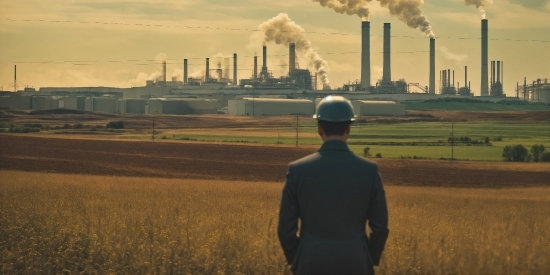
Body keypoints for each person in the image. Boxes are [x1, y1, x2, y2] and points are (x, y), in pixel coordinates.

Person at [277, 95, 389, 275]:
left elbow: (285, 230)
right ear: (348, 128)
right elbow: (380, 227)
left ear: (319, 129)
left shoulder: (297, 171)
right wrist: (369, 258)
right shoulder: (369, 171)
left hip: (310, 262)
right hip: (356, 263)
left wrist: (298, 259)